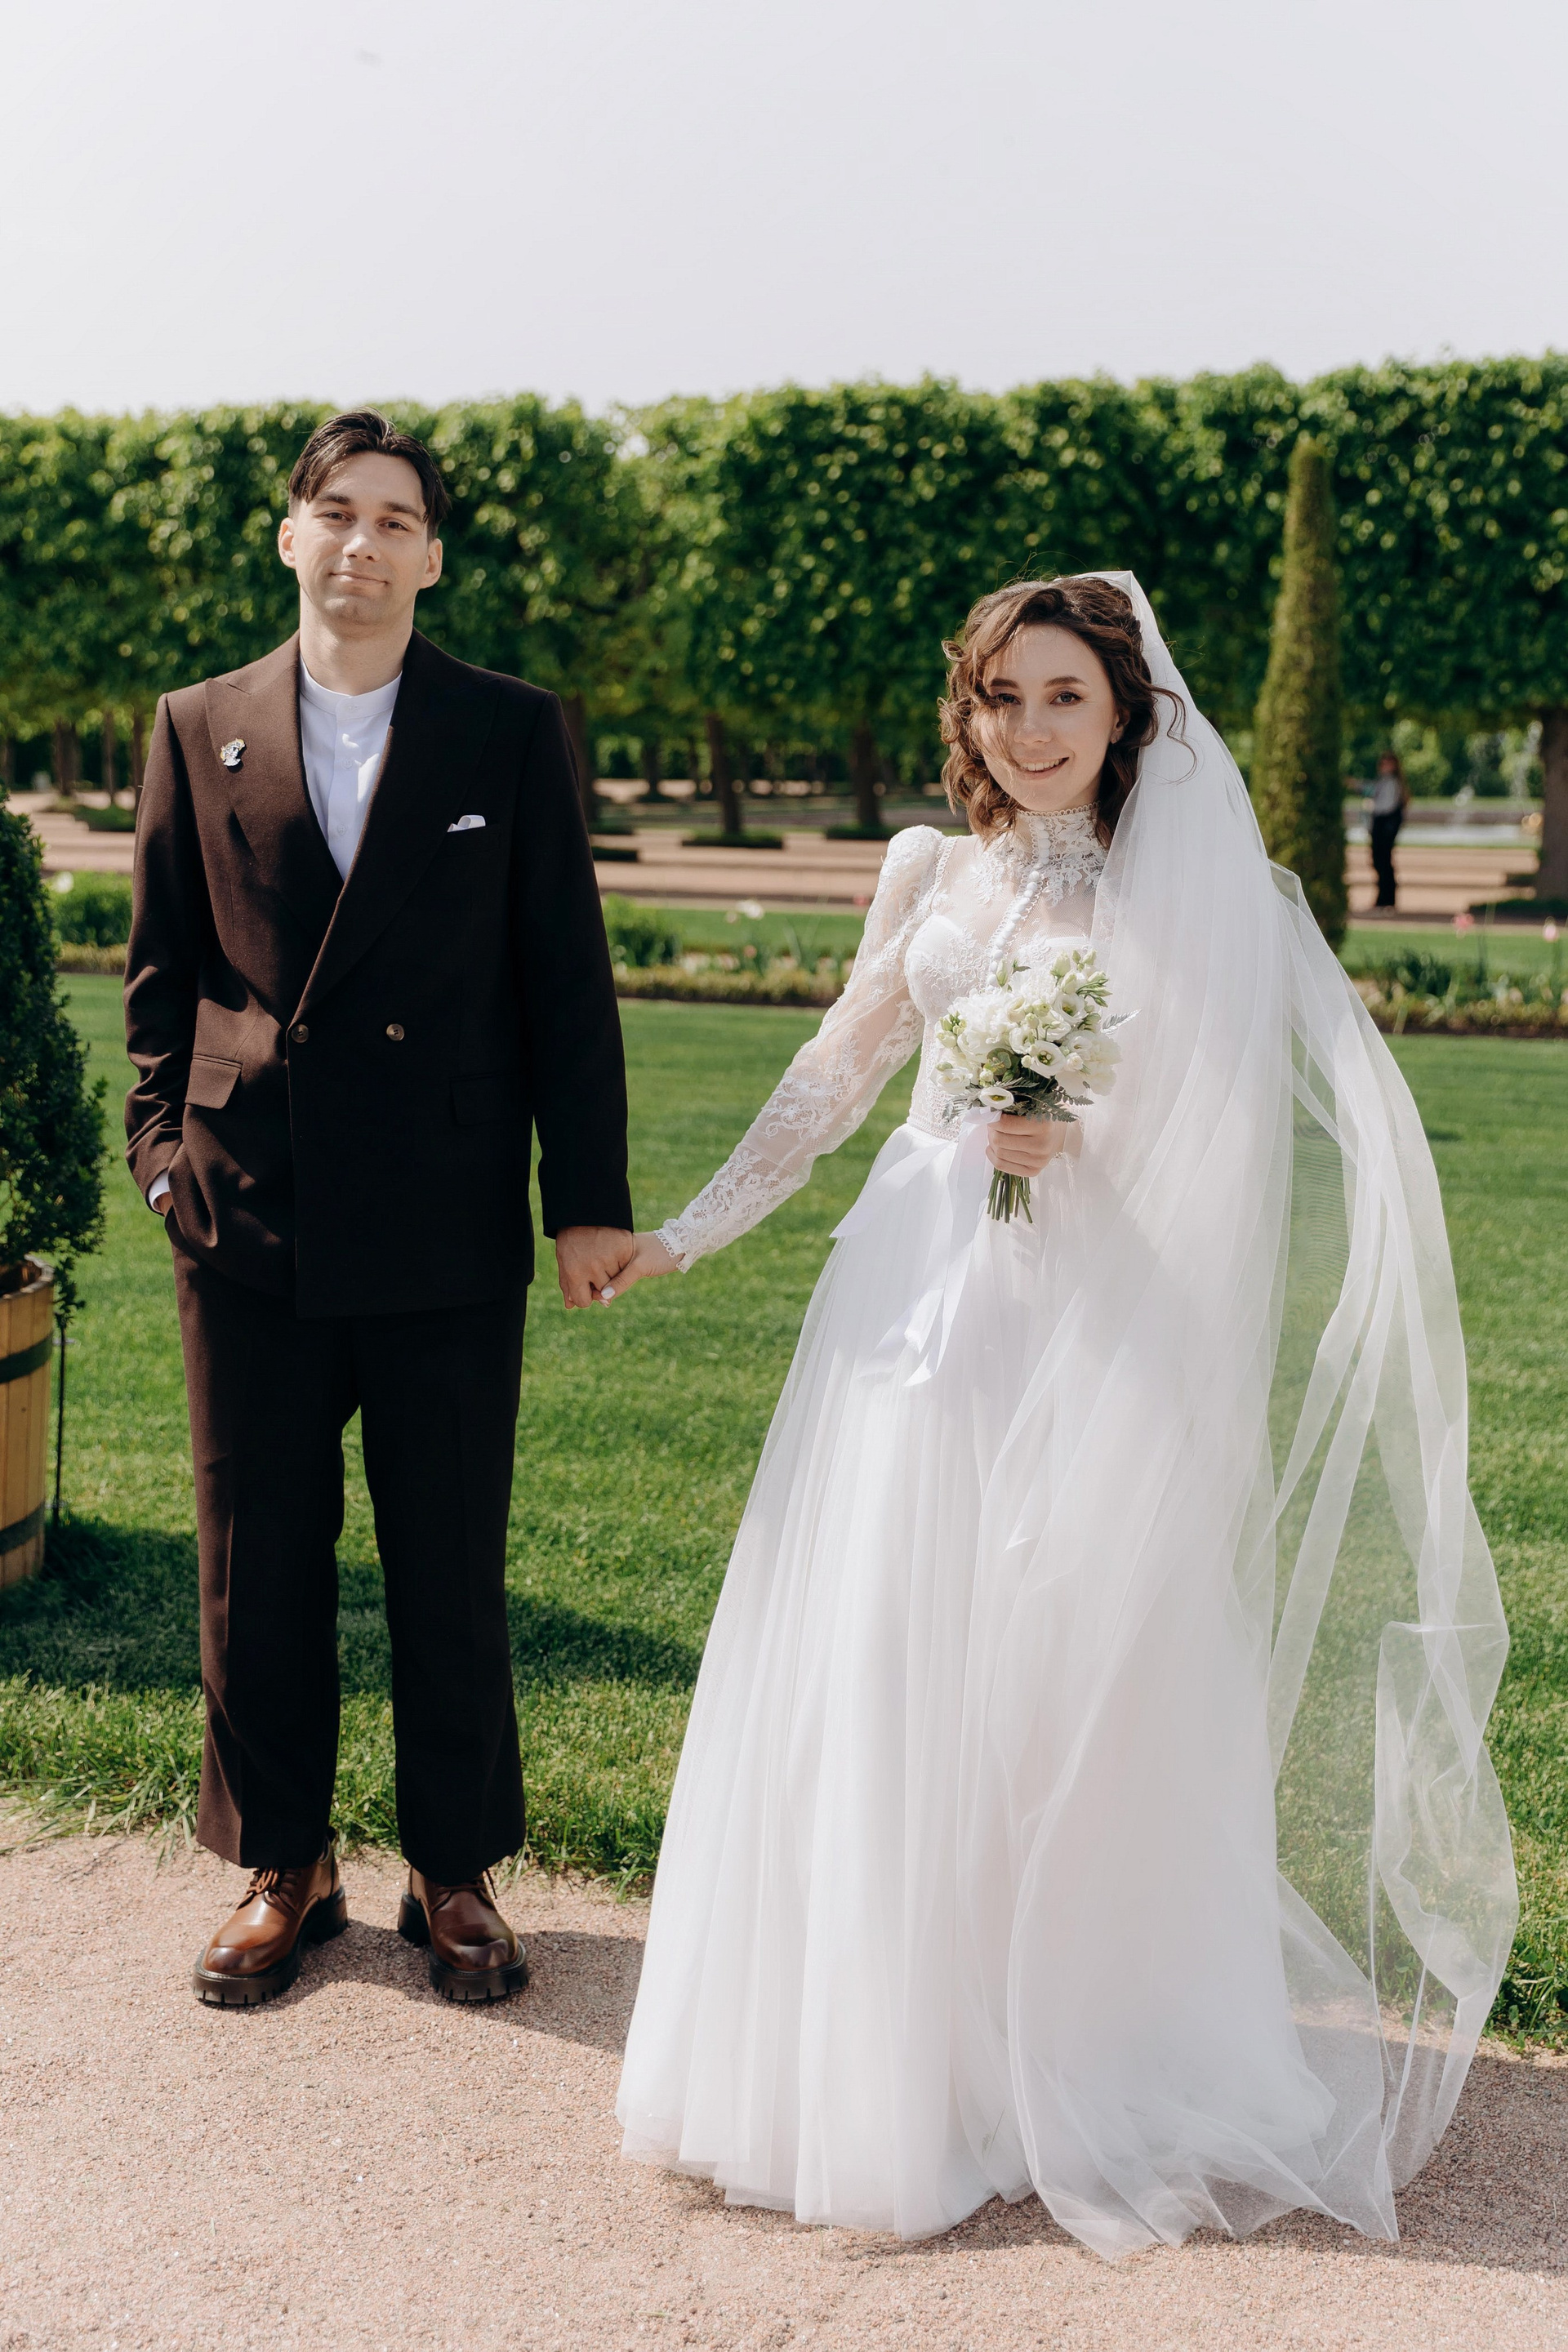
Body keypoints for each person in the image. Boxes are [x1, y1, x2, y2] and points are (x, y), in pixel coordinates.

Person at [606, 575, 1515, 2256]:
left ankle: (1066, 2045)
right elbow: (842, 1066)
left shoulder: (1194, 896)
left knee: (1057, 1660)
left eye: (1066, 698)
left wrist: (1079, 1139)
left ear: (1125, 714)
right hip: (907, 1293)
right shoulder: (925, 868)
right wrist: (689, 1230)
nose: (1030, 731)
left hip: (1081, 1305)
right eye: (1002, 697)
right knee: (892, 1638)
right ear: (968, 712)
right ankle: (894, 2060)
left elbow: (1223, 1135)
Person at [124, 412, 635, 2008]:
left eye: (394, 518)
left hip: (445, 1213)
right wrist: (162, 1159)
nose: (362, 541)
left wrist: (587, 1202)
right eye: (335, 512)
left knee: (447, 1558)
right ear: (291, 537)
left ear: (432, 556)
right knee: (254, 1558)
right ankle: (283, 1865)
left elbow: (566, 979)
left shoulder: (509, 730)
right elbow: (160, 976)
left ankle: (453, 1871)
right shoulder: (195, 724)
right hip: (248, 1210)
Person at [1368, 749, 1410, 910]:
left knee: (1382, 859)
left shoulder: (1392, 783)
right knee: (1381, 859)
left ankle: (1387, 898)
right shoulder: (1386, 781)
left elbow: (1384, 806)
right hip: (1384, 823)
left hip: (1385, 823)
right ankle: (1384, 897)